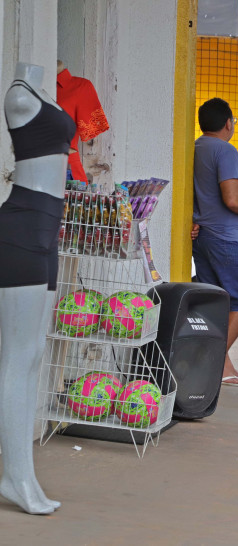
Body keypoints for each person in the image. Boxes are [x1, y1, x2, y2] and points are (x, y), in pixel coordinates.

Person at [0, 62, 75, 515]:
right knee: (16, 357)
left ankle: (21, 474)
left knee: (32, 358)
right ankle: (16, 476)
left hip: (47, 229)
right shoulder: (21, 94)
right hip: (23, 227)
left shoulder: (40, 90)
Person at [191, 98, 238, 388]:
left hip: (204, 238)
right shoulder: (224, 150)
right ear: (228, 123)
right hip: (227, 239)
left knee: (215, 303)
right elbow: (234, 199)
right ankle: (213, 360)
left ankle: (218, 364)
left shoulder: (196, 147)